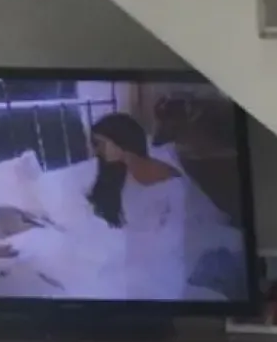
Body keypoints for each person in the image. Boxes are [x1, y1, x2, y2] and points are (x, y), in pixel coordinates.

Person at [85, 111, 246, 301]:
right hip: (138, 242)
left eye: (100, 143)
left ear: (120, 141)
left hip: (170, 242)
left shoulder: (168, 179)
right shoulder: (116, 173)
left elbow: (174, 230)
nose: (97, 151)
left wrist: (146, 250)